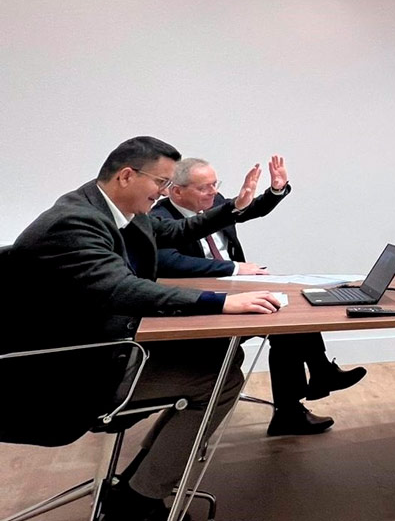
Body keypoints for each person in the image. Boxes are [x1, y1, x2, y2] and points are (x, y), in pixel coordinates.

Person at [10, 137, 287, 521]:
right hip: (64, 373)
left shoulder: (105, 209)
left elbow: (172, 233)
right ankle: (140, 500)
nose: (164, 192)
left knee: (215, 359)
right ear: (127, 175)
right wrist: (220, 301)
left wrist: (234, 209)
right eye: (160, 182)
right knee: (219, 381)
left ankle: (137, 483)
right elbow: (121, 288)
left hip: (95, 347)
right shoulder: (75, 222)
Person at [153, 158, 365, 436]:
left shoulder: (213, 205)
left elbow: (249, 208)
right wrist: (234, 267)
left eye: (215, 185)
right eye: (204, 188)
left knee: (292, 312)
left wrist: (276, 190)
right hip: (198, 306)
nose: (213, 193)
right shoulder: (159, 218)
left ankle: (300, 399)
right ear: (176, 191)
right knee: (285, 321)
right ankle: (305, 393)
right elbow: (169, 262)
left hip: (234, 291)